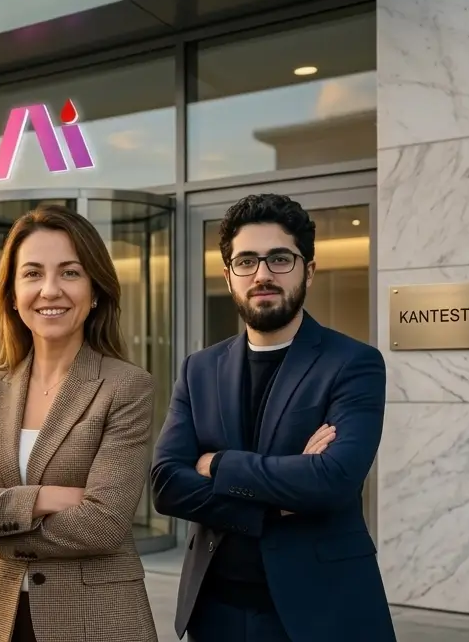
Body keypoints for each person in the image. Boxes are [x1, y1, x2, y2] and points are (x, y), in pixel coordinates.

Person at [151, 193, 395, 642]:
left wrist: (217, 464)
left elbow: (334, 479)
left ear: (309, 270)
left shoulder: (353, 362)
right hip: (215, 612)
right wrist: (278, 499)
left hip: (322, 612)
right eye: (246, 261)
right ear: (228, 277)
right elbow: (166, 485)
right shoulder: (199, 368)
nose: (262, 274)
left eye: (279, 258)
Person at [0, 204, 158, 642]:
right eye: (33, 273)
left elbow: (104, 524)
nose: (50, 290)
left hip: (97, 620)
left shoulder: (126, 386)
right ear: (12, 293)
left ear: (95, 290)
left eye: (70, 272)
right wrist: (43, 497)